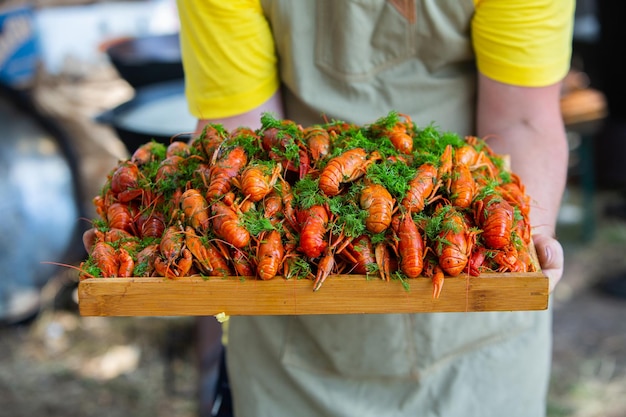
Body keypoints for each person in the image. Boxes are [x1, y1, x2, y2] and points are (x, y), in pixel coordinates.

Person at [176, 1, 571, 416]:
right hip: (291, 319)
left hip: (476, 329)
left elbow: (522, 120)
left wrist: (527, 232)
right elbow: (246, 127)